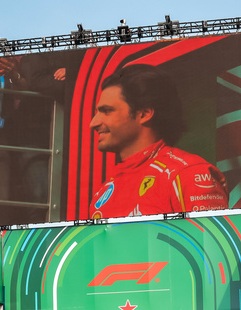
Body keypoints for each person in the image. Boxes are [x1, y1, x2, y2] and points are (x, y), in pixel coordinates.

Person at [88, 64, 227, 219]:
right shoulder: (105, 188)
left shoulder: (189, 175)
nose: (93, 123)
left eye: (106, 111)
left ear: (144, 114)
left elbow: (214, 241)